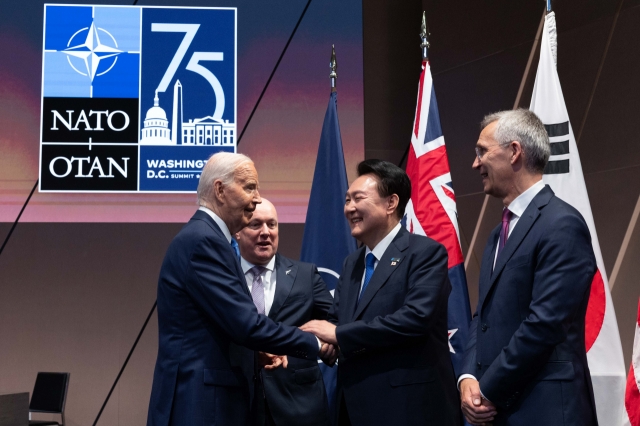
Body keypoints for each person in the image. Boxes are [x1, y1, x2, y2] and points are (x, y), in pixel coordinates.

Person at [147, 152, 329, 426]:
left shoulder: (205, 237)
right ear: (220, 190)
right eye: (249, 187)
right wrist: (315, 343)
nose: (257, 198)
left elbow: (214, 326)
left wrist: (252, 354)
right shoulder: (204, 242)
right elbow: (246, 325)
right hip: (200, 405)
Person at [458, 109, 598, 426]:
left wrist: (487, 389)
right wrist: (467, 375)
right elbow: (484, 316)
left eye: (482, 151)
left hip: (545, 410)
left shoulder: (561, 224)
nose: (475, 164)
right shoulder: (497, 234)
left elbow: (544, 325)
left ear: (515, 152)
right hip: (501, 409)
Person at [301, 159, 460, 426]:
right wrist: (329, 344)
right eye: (347, 200)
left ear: (391, 203)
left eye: (358, 198)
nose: (349, 208)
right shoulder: (352, 263)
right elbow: (338, 318)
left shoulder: (425, 253)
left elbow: (415, 319)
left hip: (408, 408)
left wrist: (339, 334)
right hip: (353, 407)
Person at [236, 198, 333, 426]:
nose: (266, 232)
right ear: (237, 232)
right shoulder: (225, 277)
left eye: (272, 224)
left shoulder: (305, 274)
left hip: (299, 404)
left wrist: (324, 343)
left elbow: (335, 322)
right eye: (256, 224)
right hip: (239, 402)